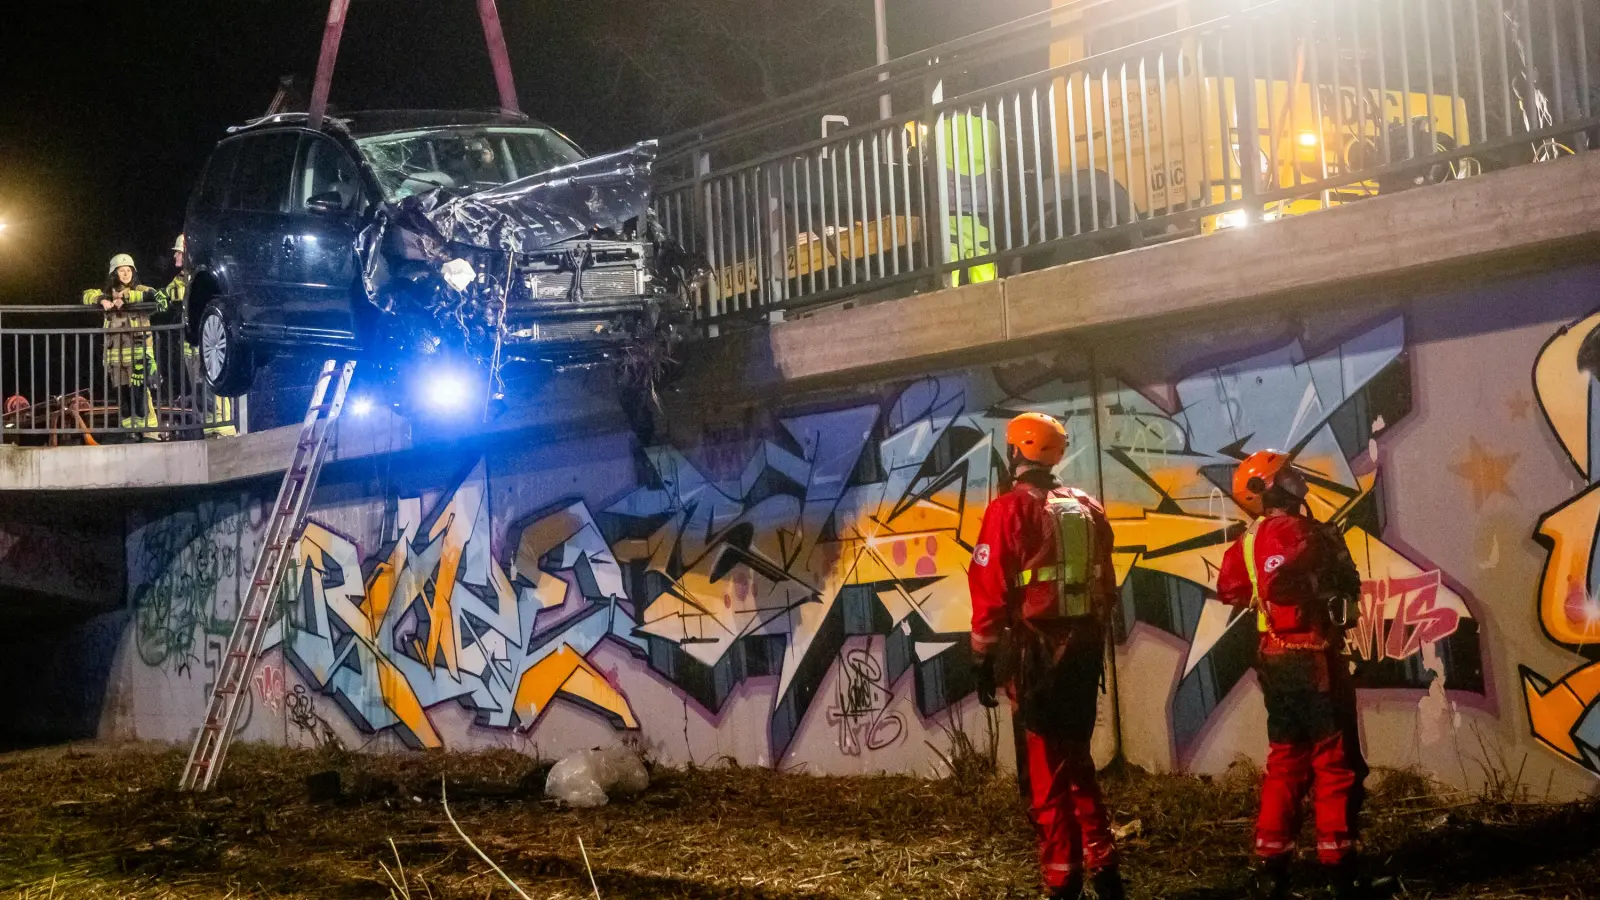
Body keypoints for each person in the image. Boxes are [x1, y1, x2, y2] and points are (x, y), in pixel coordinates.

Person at [969, 412, 1123, 900]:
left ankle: (1063, 879)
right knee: (1076, 757)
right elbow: (1106, 584)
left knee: (1046, 773)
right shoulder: (1088, 507)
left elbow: (989, 589)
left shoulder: (1008, 510)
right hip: (1083, 651)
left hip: (1036, 652)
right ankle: (1104, 864)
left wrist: (982, 656)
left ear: (1016, 452)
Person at [1216, 450, 1368, 900]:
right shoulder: (1306, 533)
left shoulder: (1247, 541)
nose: (1297, 479)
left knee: (1285, 758)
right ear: (1267, 487)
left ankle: (1272, 866)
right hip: (1313, 656)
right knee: (1333, 761)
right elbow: (1297, 578)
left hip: (1273, 658)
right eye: (1287, 475)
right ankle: (1339, 871)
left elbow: (1231, 589)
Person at [83, 254, 166, 439]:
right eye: (122, 270)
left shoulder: (139, 290)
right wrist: (101, 300)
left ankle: (150, 433)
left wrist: (126, 297)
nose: (126, 273)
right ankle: (131, 432)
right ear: (114, 273)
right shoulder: (108, 295)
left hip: (139, 358)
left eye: (129, 270)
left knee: (141, 397)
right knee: (124, 400)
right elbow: (86, 295)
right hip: (116, 361)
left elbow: (153, 294)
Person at [164, 235, 236, 438]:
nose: (175, 256)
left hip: (207, 344)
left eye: (179, 252)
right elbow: (169, 293)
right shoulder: (180, 280)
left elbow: (188, 296)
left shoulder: (203, 277)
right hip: (193, 346)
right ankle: (211, 426)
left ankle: (223, 427)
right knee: (200, 389)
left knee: (213, 386)